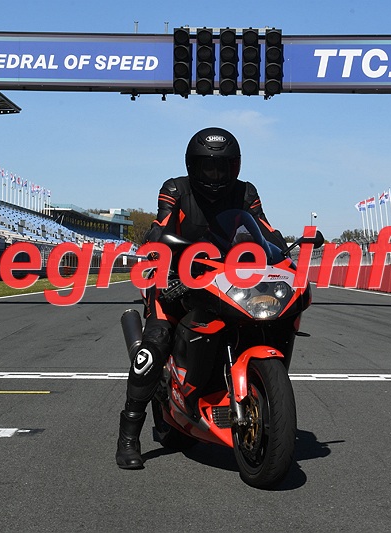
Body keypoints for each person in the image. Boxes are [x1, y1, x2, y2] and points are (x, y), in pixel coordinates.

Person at [116, 127, 288, 469]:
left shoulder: (245, 192)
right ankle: (128, 436)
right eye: (207, 167)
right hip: (174, 276)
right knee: (155, 343)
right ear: (192, 166)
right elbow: (160, 226)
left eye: (222, 167)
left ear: (235, 167)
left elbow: (265, 229)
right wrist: (160, 244)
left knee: (263, 321)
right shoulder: (175, 189)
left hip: (224, 278)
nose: (215, 175)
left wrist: (283, 255)